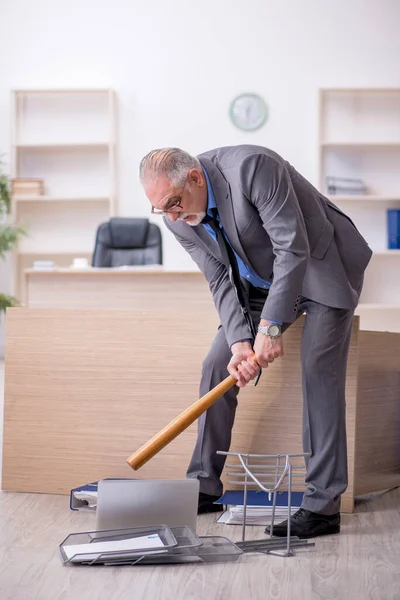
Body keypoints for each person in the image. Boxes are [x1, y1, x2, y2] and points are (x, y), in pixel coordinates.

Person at [139, 145, 372, 539]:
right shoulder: (177, 219)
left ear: (195, 177)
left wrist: (270, 328)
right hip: (259, 284)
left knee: (318, 371)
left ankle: (322, 506)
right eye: (162, 210)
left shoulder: (252, 168)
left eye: (174, 204)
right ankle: (204, 485)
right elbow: (218, 278)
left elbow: (291, 247)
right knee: (217, 364)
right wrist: (240, 344)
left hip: (319, 264)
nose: (173, 217)